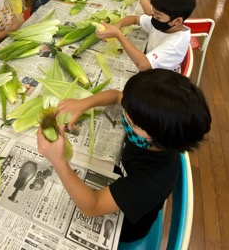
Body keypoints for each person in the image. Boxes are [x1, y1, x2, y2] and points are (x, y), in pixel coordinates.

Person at [37, 69, 211, 244]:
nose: (125, 116)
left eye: (133, 123)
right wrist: (84, 103)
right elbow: (115, 96)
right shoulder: (150, 122)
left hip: (124, 229)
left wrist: (58, 161)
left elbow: (92, 206)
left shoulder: (153, 180)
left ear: (157, 137)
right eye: (127, 110)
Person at [96, 0, 195, 72]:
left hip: (157, 79)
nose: (153, 17)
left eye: (157, 16)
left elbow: (143, 65)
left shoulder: (174, 45)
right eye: (153, 13)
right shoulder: (167, 24)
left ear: (177, 21)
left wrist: (118, 35)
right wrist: (118, 26)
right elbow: (134, 19)